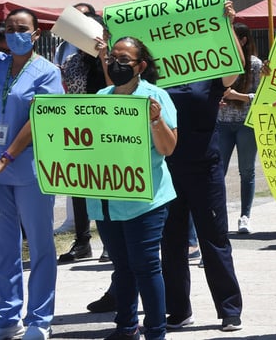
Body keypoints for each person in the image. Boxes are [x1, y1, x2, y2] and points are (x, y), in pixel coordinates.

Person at [0, 7, 63, 340]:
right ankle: (7, 318)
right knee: (3, 248)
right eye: (8, 28)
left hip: (30, 169)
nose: (14, 34)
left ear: (36, 34)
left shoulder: (48, 72)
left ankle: (39, 318)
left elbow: (40, 121)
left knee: (39, 246)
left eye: (21, 28)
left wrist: (6, 157)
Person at [160, 1, 244, 333]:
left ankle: (229, 309)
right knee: (172, 240)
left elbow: (233, 68)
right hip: (167, 168)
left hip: (204, 168)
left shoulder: (208, 70)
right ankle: (178, 310)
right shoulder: (159, 73)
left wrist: (227, 26)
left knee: (213, 239)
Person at [88, 36, 178, 340]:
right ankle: (126, 329)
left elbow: (168, 148)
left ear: (140, 66)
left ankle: (155, 331)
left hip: (146, 200)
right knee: (122, 267)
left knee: (145, 265)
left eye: (124, 60)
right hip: (108, 200)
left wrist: (155, 121)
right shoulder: (101, 96)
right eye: (112, 58)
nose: (116, 64)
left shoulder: (157, 98)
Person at [57, 10, 108, 265]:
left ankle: (108, 241)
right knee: (78, 187)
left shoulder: (113, 61)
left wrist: (105, 56)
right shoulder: (71, 62)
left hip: (107, 132)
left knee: (106, 187)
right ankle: (82, 241)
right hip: (79, 132)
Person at [217, 22, 263, 234]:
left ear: (243, 40)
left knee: (247, 171)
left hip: (246, 124)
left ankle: (245, 216)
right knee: (218, 171)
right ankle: (218, 214)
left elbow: (261, 97)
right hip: (223, 123)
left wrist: (238, 96)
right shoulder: (221, 61)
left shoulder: (254, 64)